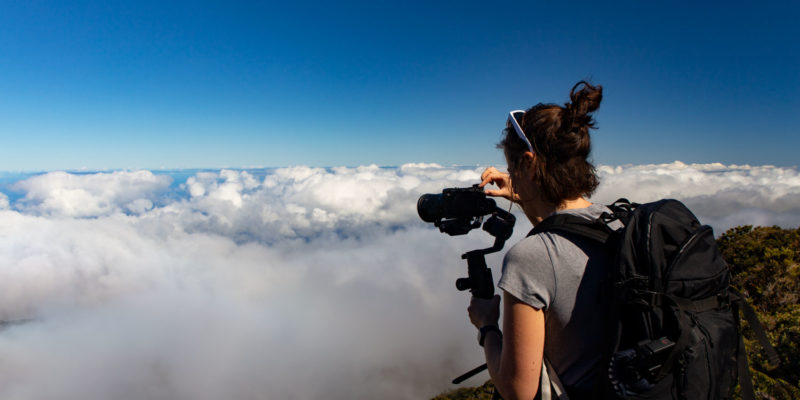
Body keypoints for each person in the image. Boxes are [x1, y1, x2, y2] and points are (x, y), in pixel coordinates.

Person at [468, 81, 617, 399]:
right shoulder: (615, 222)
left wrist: (487, 326)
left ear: (528, 162)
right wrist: (526, 197)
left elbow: (518, 390)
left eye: (512, 168)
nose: (511, 175)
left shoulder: (529, 259)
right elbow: (561, 240)